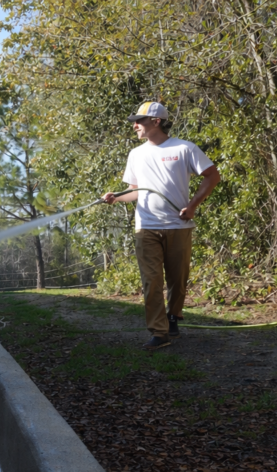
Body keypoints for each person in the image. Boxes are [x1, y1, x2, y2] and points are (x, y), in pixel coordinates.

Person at [102, 102, 220, 350]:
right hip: (146, 226)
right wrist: (116, 198)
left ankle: (173, 317)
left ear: (156, 121)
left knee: (178, 280)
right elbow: (134, 192)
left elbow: (212, 175)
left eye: (139, 121)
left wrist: (193, 205)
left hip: (178, 226)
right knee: (151, 280)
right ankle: (159, 332)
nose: (135, 126)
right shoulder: (136, 154)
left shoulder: (184, 148)